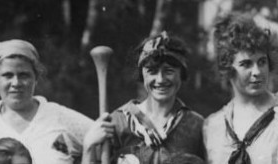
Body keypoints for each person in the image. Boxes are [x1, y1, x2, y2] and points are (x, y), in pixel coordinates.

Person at [203, 14, 278, 164]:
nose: (257, 72)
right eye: (246, 64)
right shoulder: (213, 126)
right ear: (228, 69)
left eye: (262, 62)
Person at [81, 33, 206, 164]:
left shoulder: (196, 126)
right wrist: (88, 147)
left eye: (169, 71)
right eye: (152, 71)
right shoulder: (117, 124)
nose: (160, 79)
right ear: (142, 75)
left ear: (182, 74)